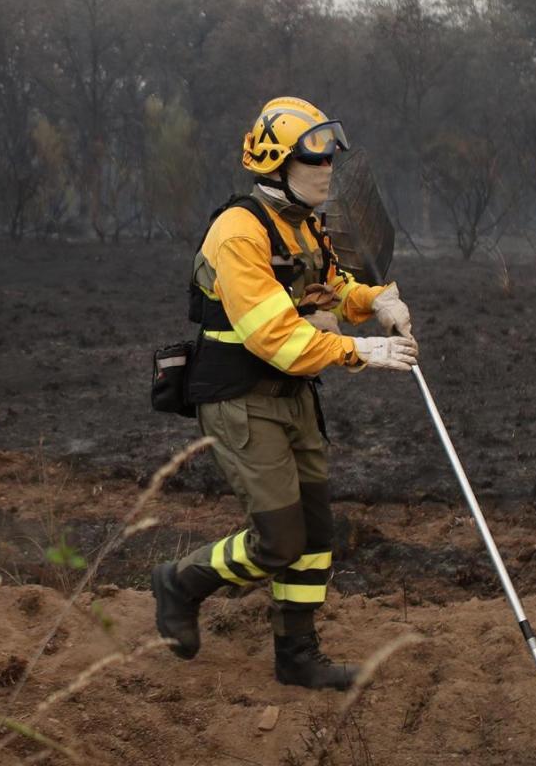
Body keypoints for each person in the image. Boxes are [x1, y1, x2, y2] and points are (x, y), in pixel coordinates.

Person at [152, 96, 418, 690]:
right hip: (240, 400)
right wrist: (361, 351)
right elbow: (274, 336)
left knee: (316, 534)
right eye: (313, 159)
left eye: (329, 159)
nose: (327, 169)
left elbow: (328, 287)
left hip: (293, 397)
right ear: (276, 165)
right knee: (277, 540)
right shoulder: (238, 232)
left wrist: (374, 300)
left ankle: (297, 654)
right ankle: (181, 581)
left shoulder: (304, 224)